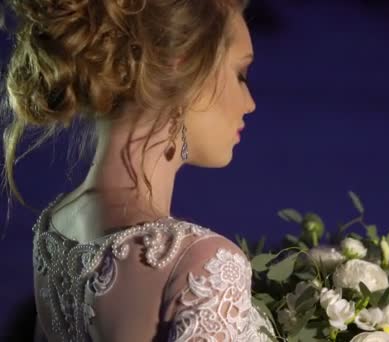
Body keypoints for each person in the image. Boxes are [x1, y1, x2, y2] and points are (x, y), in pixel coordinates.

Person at [1, 0, 276, 340]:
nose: (249, 103)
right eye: (240, 74)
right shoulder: (201, 264)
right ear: (185, 67)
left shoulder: (55, 229)